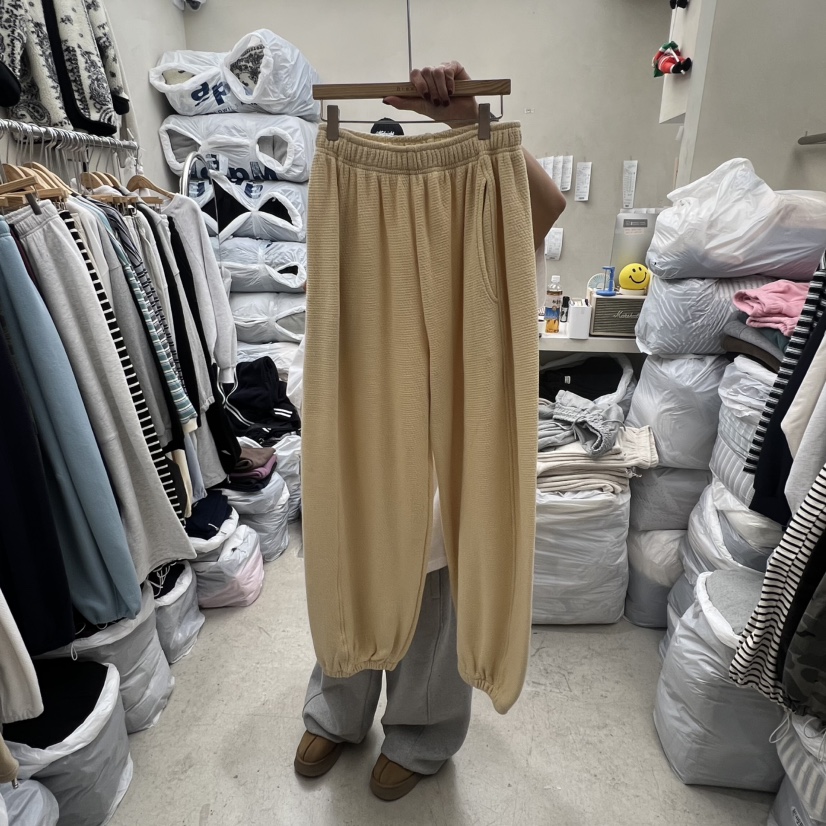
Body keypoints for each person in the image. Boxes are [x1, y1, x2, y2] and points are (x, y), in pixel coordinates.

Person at [294, 61, 566, 802]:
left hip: (457, 344)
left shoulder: (483, 194)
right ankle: (337, 706)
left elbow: (546, 205)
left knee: (443, 569)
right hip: (367, 377)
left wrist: (467, 120)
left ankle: (421, 733)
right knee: (353, 547)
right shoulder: (344, 204)